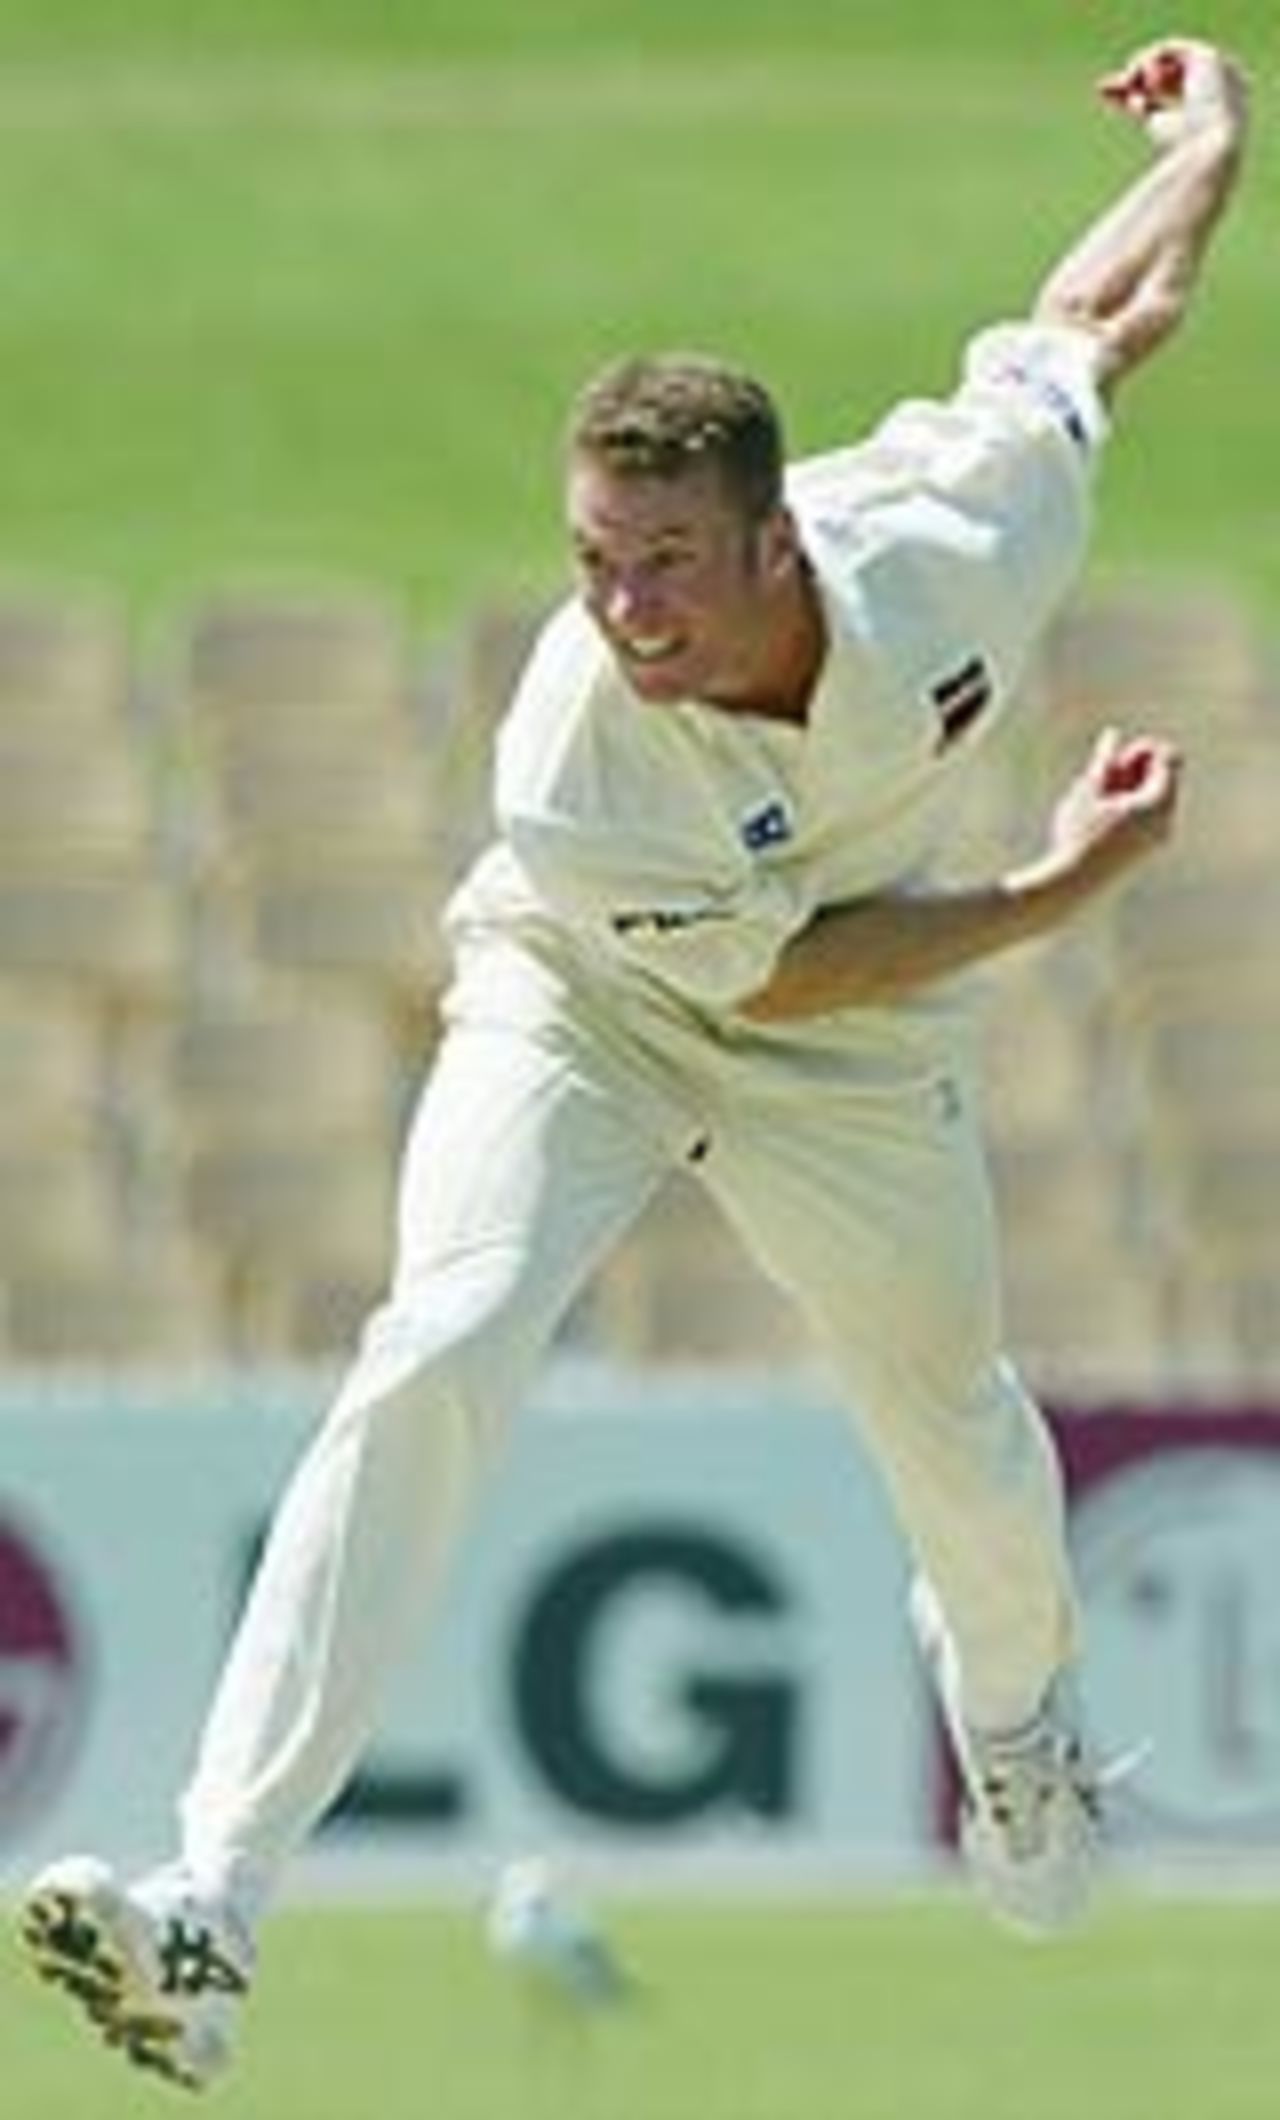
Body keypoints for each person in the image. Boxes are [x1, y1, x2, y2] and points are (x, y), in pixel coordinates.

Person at [18, 34, 1247, 2090]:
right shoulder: (569, 747)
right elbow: (777, 978)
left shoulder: (956, 536)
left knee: (948, 1412)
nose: (621, 603)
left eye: (663, 560)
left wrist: (1215, 137)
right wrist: (1052, 888)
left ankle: (1021, 1734)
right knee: (447, 1334)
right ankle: (213, 1907)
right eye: (593, 557)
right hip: (595, 994)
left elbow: (1095, 320)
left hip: (853, 1052)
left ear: (778, 538)